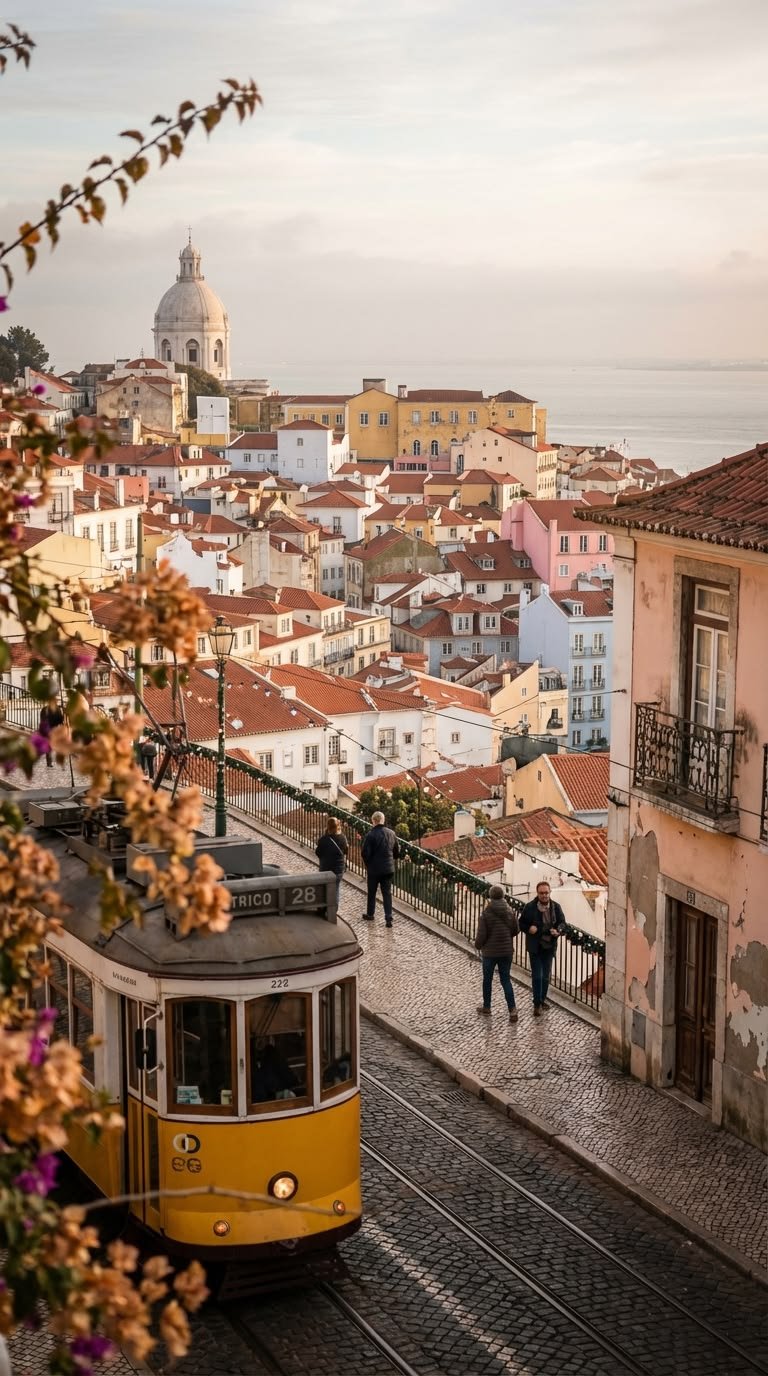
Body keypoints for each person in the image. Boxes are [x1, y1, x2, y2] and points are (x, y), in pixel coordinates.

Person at [519, 880, 567, 1016]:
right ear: (538, 893)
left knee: (546, 976)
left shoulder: (556, 907)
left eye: (546, 893)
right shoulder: (530, 907)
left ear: (550, 892)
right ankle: (537, 1004)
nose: (544, 895)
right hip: (535, 946)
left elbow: (563, 923)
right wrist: (529, 928)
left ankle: (542, 999)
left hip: (549, 946)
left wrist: (558, 930)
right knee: (537, 976)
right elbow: (521, 923)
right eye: (542, 893)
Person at [474, 884, 519, 1023]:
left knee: (487, 979)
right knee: (505, 980)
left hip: (490, 952)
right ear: (503, 896)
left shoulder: (486, 913)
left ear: (490, 896)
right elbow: (516, 930)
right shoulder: (510, 911)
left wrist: (478, 945)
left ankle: (487, 1006)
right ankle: (512, 1010)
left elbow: (482, 934)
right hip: (506, 951)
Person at [361, 810, 400, 928]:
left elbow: (364, 853)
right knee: (387, 893)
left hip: (374, 869)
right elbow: (396, 851)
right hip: (388, 868)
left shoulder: (370, 835)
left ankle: (370, 914)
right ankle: (388, 917)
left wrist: (369, 864)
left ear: (373, 821)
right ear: (383, 820)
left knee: (372, 892)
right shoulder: (391, 833)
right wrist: (391, 860)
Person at [315, 816, 348, 906]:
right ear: (338, 826)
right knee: (336, 889)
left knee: (324, 888)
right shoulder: (343, 838)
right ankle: (334, 909)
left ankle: (323, 907)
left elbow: (318, 852)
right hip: (338, 869)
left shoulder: (323, 840)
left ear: (328, 826)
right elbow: (345, 851)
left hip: (325, 868)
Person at [38, 703, 64, 768]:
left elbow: (42, 720)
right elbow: (60, 721)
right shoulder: (57, 709)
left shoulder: (44, 709)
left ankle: (49, 761)